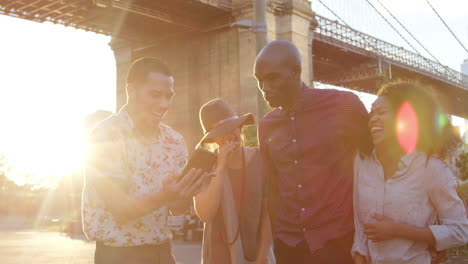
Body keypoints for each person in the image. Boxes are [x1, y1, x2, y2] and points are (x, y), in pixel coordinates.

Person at [82, 57, 211, 264]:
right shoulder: (104, 135)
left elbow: (176, 208)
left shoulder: (174, 141)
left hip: (162, 253)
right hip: (118, 255)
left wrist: (189, 188)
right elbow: (121, 210)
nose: (164, 104)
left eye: (169, 96)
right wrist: (165, 195)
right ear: (130, 91)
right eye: (155, 95)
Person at [254, 40, 373, 264]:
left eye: (273, 77)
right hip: (288, 245)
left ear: (296, 71)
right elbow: (272, 187)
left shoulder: (344, 105)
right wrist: (265, 247)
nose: (265, 88)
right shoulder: (266, 125)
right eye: (260, 81)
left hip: (337, 241)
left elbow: (378, 166)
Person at [352, 81, 468, 264]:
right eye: (372, 112)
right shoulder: (362, 162)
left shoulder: (430, 168)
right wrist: (359, 252)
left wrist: (398, 230)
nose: (373, 118)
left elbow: (461, 231)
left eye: (382, 112)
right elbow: (360, 224)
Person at [194, 98, 275, 264]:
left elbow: (269, 212)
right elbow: (205, 214)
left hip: (256, 253)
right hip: (218, 257)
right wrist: (221, 166)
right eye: (222, 133)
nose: (231, 136)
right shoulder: (206, 167)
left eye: (233, 128)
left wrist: (263, 255)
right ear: (214, 139)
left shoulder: (260, 158)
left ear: (240, 127)